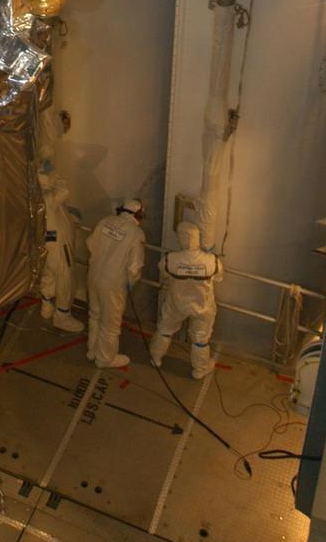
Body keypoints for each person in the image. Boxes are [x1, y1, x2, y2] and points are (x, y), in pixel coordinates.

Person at [149, 219, 223, 380]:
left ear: (181, 238)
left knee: (165, 329)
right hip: (203, 307)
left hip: (176, 304)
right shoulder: (212, 261)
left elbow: (164, 273)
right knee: (200, 339)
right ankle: (200, 369)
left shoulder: (171, 259)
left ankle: (156, 358)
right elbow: (219, 278)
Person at [86, 198, 145, 369]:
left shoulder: (105, 221)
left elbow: (90, 245)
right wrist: (131, 283)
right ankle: (105, 358)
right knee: (110, 323)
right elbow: (134, 267)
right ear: (138, 215)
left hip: (94, 275)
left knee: (95, 314)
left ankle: (92, 349)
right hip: (113, 283)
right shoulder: (136, 233)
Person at [38, 163, 84, 333]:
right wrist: (55, 172)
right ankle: (62, 316)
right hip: (59, 245)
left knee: (49, 275)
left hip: (47, 242)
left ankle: (46, 308)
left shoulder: (36, 196)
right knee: (65, 278)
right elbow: (64, 191)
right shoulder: (48, 196)